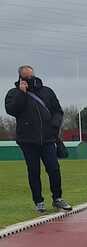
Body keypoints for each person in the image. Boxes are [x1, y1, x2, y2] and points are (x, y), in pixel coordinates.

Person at [4, 65, 73, 214]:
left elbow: (57, 111)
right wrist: (22, 93)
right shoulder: (13, 93)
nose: (30, 79)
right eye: (26, 77)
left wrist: (54, 126)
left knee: (54, 169)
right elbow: (12, 110)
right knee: (33, 172)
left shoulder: (47, 91)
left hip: (48, 139)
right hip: (27, 140)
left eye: (31, 76)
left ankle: (57, 198)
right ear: (20, 78)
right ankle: (39, 202)